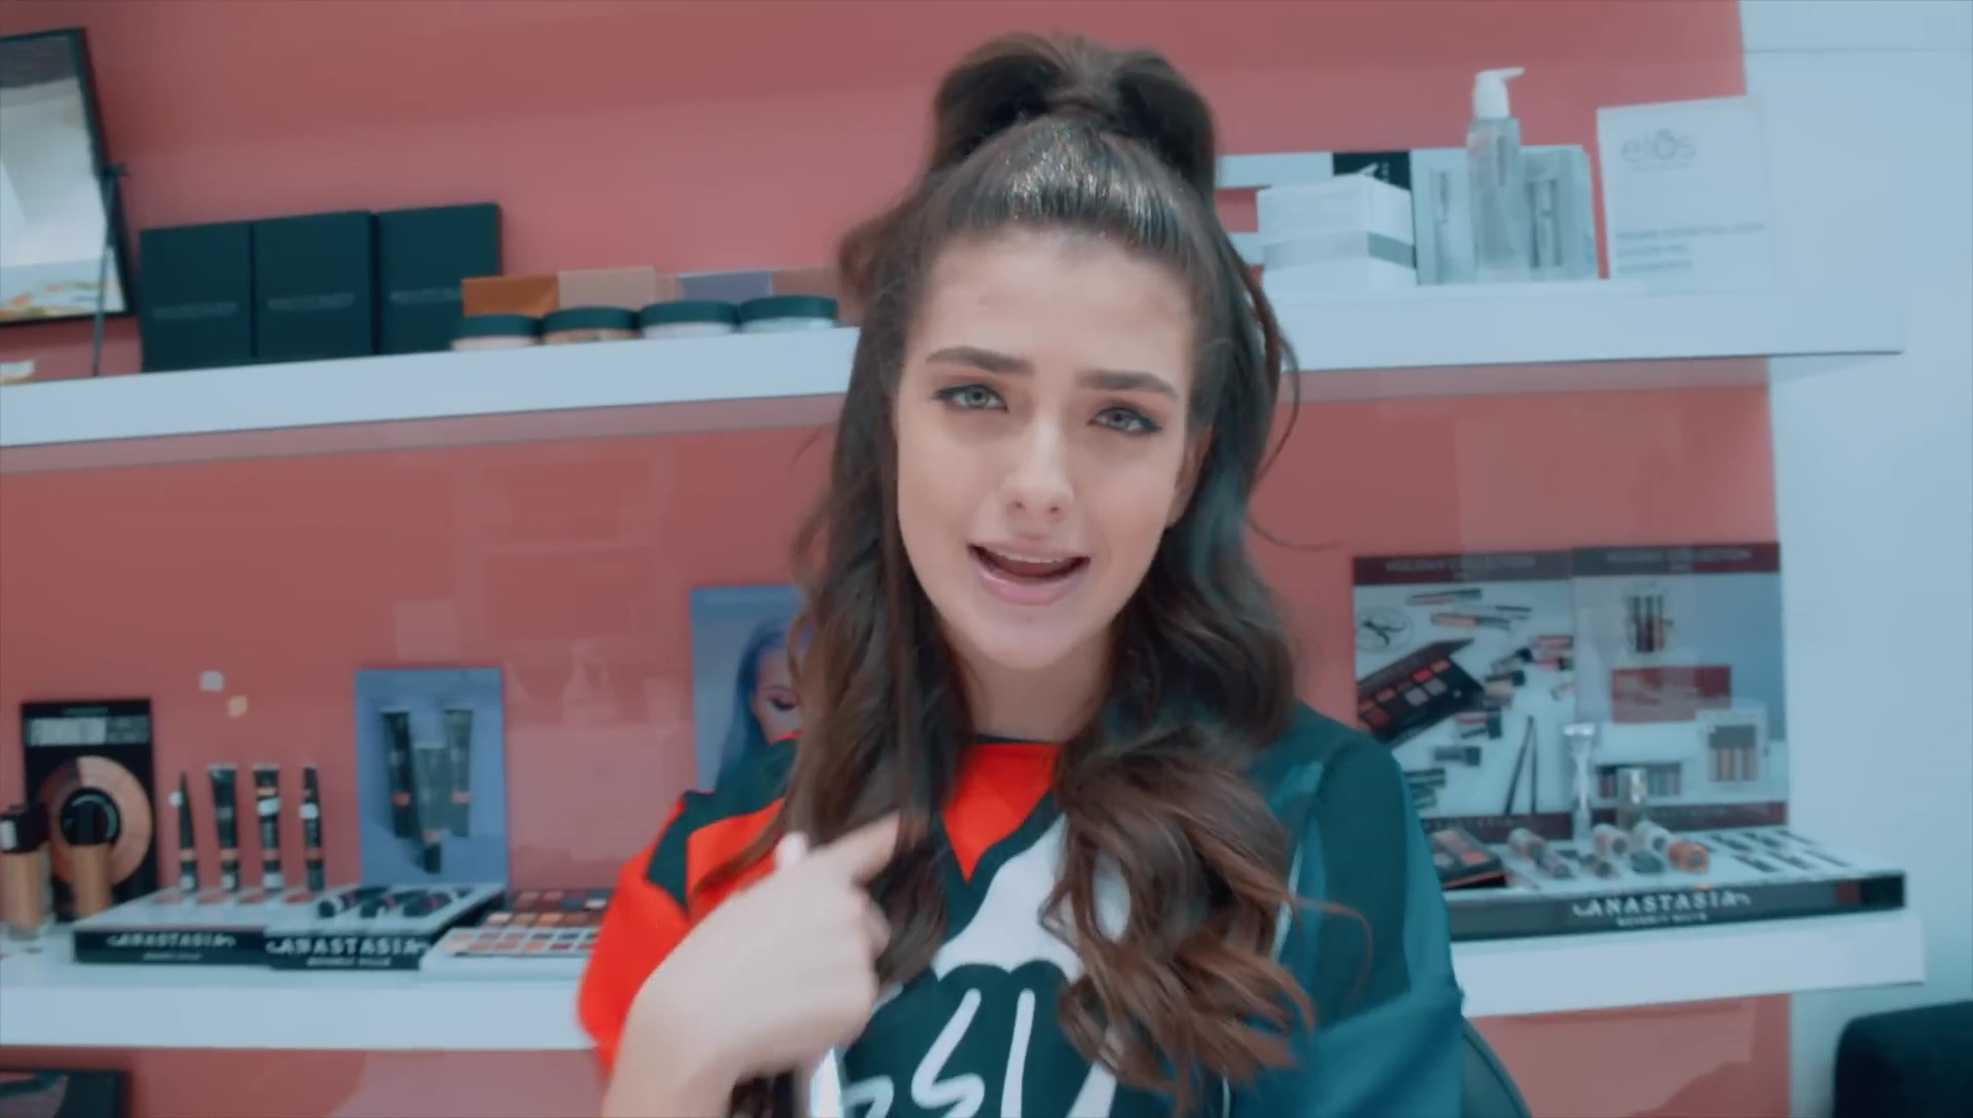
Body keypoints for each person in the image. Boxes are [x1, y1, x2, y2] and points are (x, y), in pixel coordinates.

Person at [580, 31, 1465, 1118]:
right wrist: (671, 1064)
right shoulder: (712, 858)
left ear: (1186, 470)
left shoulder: (1319, 817)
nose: (1040, 484)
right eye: (975, 396)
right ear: (889, 423)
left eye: (1121, 417)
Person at [709, 614, 803, 789]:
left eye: (823, 706)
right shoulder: (729, 801)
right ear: (753, 705)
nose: (802, 721)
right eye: (784, 702)